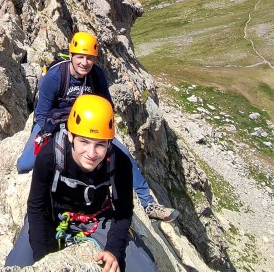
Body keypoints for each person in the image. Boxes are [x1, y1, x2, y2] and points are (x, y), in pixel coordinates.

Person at [6, 94, 161, 272]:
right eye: (84, 142)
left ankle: (137, 246)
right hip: (52, 217)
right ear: (70, 136)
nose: (91, 152)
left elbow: (123, 212)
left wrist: (114, 251)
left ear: (109, 142)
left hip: (98, 220)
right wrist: (43, 258)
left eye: (100, 144)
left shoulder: (119, 163)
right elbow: (35, 207)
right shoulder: (50, 156)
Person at [17, 31, 178, 223]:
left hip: (88, 125)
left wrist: (104, 134)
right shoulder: (55, 76)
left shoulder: (97, 76)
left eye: (89, 58)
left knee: (123, 155)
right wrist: (49, 135)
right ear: (71, 56)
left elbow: (106, 107)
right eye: (80, 57)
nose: (84, 62)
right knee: (25, 165)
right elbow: (42, 113)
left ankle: (148, 203)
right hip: (56, 122)